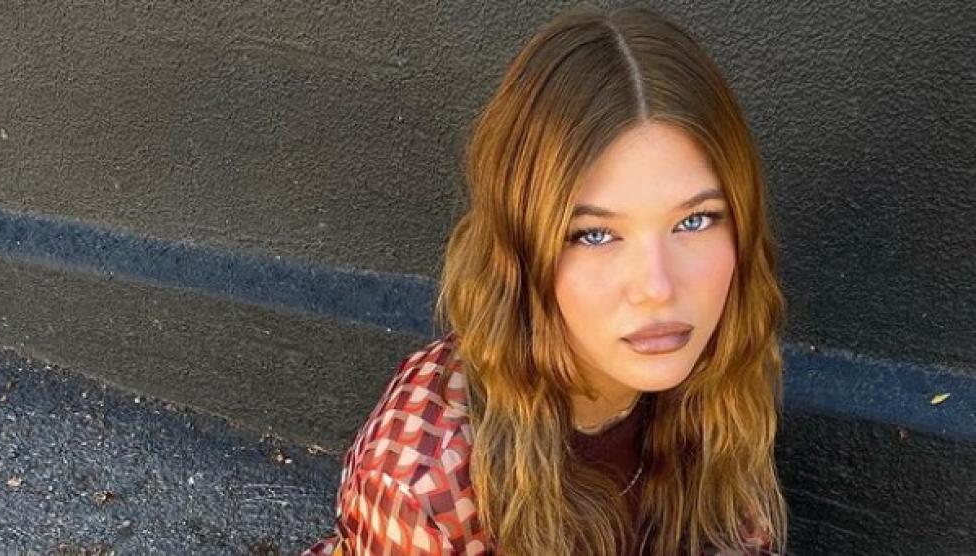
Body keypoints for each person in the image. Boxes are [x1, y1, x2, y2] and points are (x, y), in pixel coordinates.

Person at [302, 4, 787, 555]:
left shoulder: (721, 365)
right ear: (522, 248)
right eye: (594, 234)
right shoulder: (427, 486)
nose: (657, 287)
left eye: (694, 221)